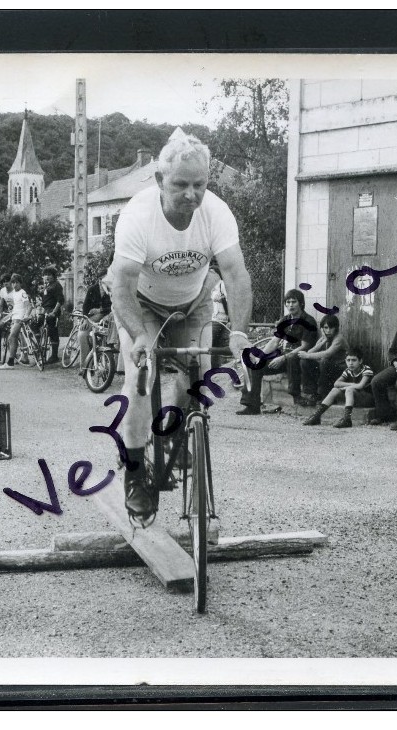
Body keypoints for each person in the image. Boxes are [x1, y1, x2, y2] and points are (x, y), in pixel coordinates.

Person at [109, 129, 254, 527]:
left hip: (193, 303)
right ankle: (136, 474)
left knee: (200, 378)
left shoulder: (217, 213)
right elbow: (120, 284)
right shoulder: (138, 215)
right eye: (180, 185)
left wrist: (239, 332)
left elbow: (236, 275)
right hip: (143, 304)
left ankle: (174, 429)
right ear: (159, 180)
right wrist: (139, 336)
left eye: (199, 185)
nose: (191, 194)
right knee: (139, 378)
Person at [236, 288, 319, 414]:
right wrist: (261, 356)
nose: (290, 305)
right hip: (283, 357)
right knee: (254, 365)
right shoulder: (285, 320)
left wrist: (283, 358)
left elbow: (305, 347)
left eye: (294, 302)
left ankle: (296, 397)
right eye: (288, 302)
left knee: (291, 358)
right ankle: (252, 405)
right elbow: (275, 341)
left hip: (297, 358)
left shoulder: (308, 321)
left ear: (301, 303)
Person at [302, 349, 375, 428]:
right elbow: (336, 384)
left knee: (349, 390)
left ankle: (347, 419)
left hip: (367, 399)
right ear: (345, 361)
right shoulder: (348, 371)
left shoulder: (366, 370)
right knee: (335, 390)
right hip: (354, 397)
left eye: (354, 360)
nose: (351, 363)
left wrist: (346, 387)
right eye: (348, 360)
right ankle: (316, 416)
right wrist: (351, 384)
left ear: (360, 361)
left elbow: (360, 386)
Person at [296, 313, 348, 403]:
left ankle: (323, 395)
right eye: (325, 328)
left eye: (331, 328)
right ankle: (311, 393)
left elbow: (327, 354)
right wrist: (322, 342)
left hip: (341, 368)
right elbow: (309, 353)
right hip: (327, 366)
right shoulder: (325, 337)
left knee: (323, 361)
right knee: (304, 361)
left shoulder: (339, 338)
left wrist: (307, 355)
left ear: (336, 328)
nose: (328, 331)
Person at [77, 277, 113, 375]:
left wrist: (100, 310)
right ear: (99, 280)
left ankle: (110, 365)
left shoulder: (113, 289)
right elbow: (86, 306)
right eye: (103, 280)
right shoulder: (92, 289)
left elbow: (115, 306)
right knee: (82, 335)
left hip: (109, 317)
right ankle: (85, 366)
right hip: (93, 317)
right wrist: (85, 319)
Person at [0, 274, 33, 369]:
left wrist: (26, 316)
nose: (14, 285)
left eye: (17, 282)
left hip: (20, 318)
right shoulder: (14, 293)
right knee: (13, 338)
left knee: (12, 337)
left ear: (20, 283)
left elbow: (28, 306)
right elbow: (15, 307)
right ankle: (12, 361)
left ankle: (10, 362)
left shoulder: (22, 292)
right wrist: (7, 317)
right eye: (13, 282)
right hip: (15, 316)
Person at [41, 266, 65, 364]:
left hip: (53, 311)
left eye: (49, 275)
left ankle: (54, 356)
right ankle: (39, 349)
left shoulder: (56, 285)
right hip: (45, 310)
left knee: (52, 331)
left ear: (53, 276)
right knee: (36, 322)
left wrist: (54, 312)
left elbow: (60, 301)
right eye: (45, 275)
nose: (47, 277)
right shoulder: (47, 286)